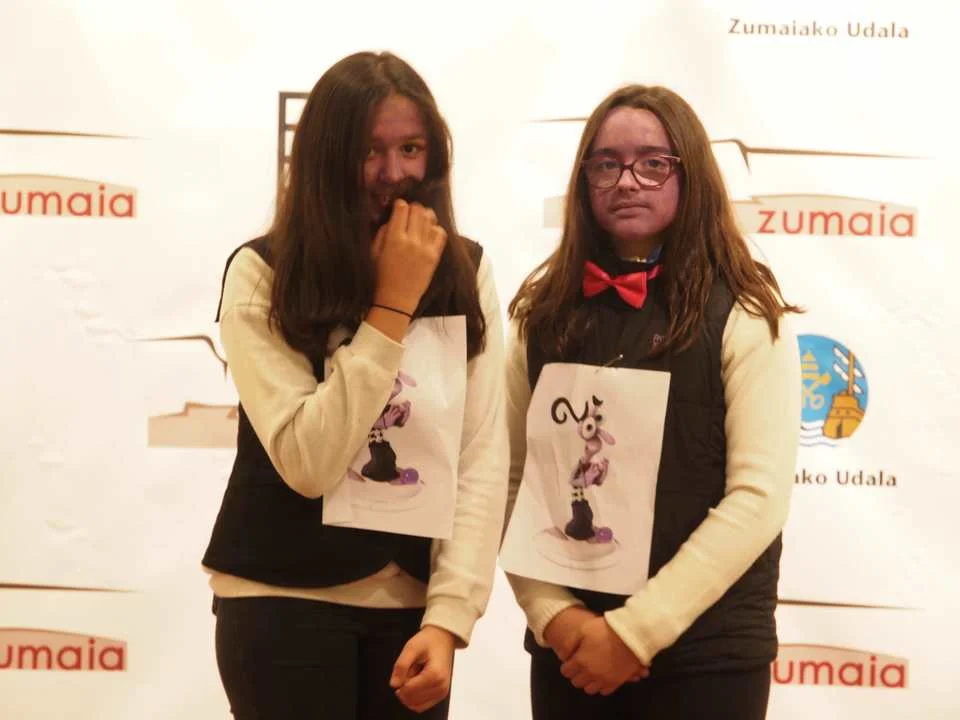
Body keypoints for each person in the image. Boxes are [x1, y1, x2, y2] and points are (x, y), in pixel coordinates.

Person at [201, 51, 507, 720]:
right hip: (280, 602)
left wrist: (450, 617)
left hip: (412, 615)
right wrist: (391, 304)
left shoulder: (468, 270)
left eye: (411, 148)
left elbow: (481, 455)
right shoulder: (261, 272)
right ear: (325, 157)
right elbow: (307, 462)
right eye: (370, 151)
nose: (394, 173)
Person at [500, 84, 801, 719]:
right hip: (572, 656)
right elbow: (510, 480)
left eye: (653, 163)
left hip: (708, 658)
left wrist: (634, 633)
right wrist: (553, 614)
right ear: (584, 180)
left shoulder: (746, 311)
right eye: (606, 164)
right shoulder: (540, 315)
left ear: (690, 174)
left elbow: (758, 497)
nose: (627, 181)